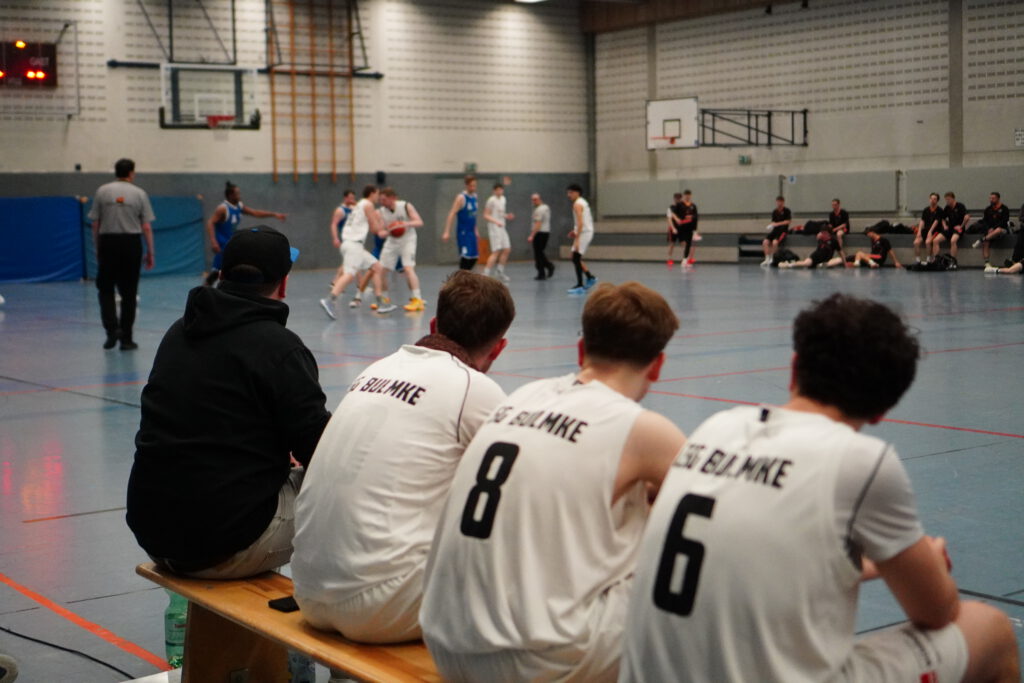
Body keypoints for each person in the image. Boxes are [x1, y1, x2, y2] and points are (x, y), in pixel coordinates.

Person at [620, 293, 1020, 683]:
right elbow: (936, 612)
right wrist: (929, 566)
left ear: (794, 369)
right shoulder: (860, 460)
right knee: (992, 629)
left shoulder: (717, 426)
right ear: (882, 409)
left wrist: (873, 566)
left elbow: (757, 559)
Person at [420, 281, 687, 682]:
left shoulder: (521, 397)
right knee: (679, 527)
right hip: (535, 663)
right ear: (658, 365)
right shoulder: (641, 427)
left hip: (444, 643)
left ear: (581, 351)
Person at [291, 271, 515, 646]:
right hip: (384, 606)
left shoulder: (377, 368)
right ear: (498, 348)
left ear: (434, 324)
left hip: (308, 589)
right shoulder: (475, 388)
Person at [127, 226, 331, 579]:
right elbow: (322, 453)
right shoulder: (281, 347)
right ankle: (345, 602)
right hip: (225, 545)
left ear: (221, 275)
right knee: (341, 487)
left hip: (154, 534)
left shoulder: (179, 331)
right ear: (283, 285)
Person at [88, 158, 156, 351]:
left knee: (106, 289)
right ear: (131, 173)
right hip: (131, 244)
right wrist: (150, 252)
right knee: (129, 293)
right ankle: (126, 339)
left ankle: (112, 330)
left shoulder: (102, 191)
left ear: (116, 172)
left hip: (108, 242)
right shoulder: (139, 193)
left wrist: (98, 247)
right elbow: (146, 227)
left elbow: (95, 224)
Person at [319, 185, 395, 318]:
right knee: (349, 275)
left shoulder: (359, 204)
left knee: (377, 267)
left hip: (354, 245)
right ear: (372, 193)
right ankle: (329, 300)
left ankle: (380, 303)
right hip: (353, 245)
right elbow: (375, 228)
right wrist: (389, 228)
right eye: (377, 194)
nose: (378, 197)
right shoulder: (368, 204)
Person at [203, 181, 286, 286]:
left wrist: (274, 214)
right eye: (237, 193)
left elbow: (255, 213)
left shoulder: (239, 206)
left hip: (232, 243)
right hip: (222, 245)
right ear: (230, 195)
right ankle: (204, 291)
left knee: (234, 269)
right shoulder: (223, 209)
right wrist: (213, 241)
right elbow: (210, 222)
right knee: (215, 274)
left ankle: (234, 290)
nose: (239, 195)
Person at [376, 187, 427, 312]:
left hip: (408, 240)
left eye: (384, 199)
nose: (382, 202)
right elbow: (381, 231)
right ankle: (384, 298)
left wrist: (404, 224)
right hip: (392, 241)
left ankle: (417, 299)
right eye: (380, 200)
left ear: (392, 198)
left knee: (408, 268)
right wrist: (386, 232)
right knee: (381, 270)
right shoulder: (381, 212)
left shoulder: (405, 206)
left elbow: (419, 222)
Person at [441, 175, 480, 271]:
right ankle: (461, 278)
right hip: (463, 232)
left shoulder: (475, 197)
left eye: (475, 185)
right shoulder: (461, 198)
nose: (473, 188)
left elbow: (473, 216)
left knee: (474, 258)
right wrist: (447, 231)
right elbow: (451, 214)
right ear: (466, 185)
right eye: (471, 186)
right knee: (465, 258)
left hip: (471, 232)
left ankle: (465, 276)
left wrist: (476, 230)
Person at [566, 183, 597, 294]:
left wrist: (577, 239)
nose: (568, 195)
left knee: (576, 257)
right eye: (568, 192)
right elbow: (582, 221)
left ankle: (580, 285)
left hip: (585, 233)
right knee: (574, 257)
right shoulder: (582, 202)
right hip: (584, 231)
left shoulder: (577, 204)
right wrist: (574, 231)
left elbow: (580, 222)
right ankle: (590, 277)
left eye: (571, 192)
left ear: (577, 193)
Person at [482, 183, 514, 282]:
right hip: (494, 228)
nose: (500, 191)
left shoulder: (503, 199)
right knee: (496, 251)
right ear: (494, 191)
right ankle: (485, 274)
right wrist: (496, 222)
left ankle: (499, 272)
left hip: (502, 227)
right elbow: (486, 215)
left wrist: (507, 216)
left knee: (507, 249)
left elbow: (500, 213)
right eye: (498, 190)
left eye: (501, 189)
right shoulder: (491, 200)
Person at [970, 192, 1010, 267]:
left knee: (998, 230)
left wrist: (994, 228)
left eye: (993, 198)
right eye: (990, 198)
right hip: (990, 231)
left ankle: (981, 240)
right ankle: (987, 263)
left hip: (1002, 230)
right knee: (986, 242)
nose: (991, 200)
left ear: (998, 199)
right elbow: (984, 221)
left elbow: (1004, 221)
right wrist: (988, 228)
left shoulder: (1004, 209)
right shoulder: (988, 209)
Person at [330, 189, 357, 290]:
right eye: (350, 198)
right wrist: (335, 238)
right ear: (345, 198)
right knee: (352, 261)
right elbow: (334, 224)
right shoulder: (340, 210)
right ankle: (360, 285)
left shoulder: (354, 208)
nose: (352, 200)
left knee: (350, 261)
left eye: (353, 198)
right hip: (345, 238)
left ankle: (335, 282)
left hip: (354, 238)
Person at [777, 229, 843, 269]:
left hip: (826, 261)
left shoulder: (834, 241)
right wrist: (820, 235)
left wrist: (845, 263)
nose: (823, 234)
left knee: (839, 259)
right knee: (805, 263)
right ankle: (788, 264)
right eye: (822, 233)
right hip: (815, 257)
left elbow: (840, 252)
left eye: (824, 233)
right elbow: (818, 236)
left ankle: (821, 265)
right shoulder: (820, 239)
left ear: (828, 233)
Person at [934, 191, 970, 262]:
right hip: (950, 228)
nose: (947, 201)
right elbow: (943, 218)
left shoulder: (960, 206)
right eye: (946, 200)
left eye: (948, 199)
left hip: (959, 229)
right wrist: (944, 225)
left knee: (953, 240)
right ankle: (936, 260)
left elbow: (967, 217)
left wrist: (961, 226)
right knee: (935, 240)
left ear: (953, 199)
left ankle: (953, 261)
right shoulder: (947, 207)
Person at [528, 192, 555, 280]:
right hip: (545, 232)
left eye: (535, 199)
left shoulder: (539, 210)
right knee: (540, 253)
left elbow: (538, 224)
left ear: (540, 199)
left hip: (539, 233)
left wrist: (532, 235)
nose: (534, 201)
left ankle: (546, 269)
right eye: (532, 200)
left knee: (538, 253)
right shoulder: (545, 207)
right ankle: (545, 269)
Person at [761, 195, 792, 267]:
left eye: (780, 202)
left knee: (775, 242)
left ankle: (773, 258)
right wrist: (771, 225)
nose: (779, 203)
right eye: (778, 202)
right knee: (765, 242)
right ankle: (767, 259)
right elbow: (773, 222)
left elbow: (788, 221)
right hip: (775, 231)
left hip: (783, 231)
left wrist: (777, 224)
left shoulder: (787, 211)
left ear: (783, 202)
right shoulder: (774, 212)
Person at [914, 192, 945, 264]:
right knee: (916, 242)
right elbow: (922, 221)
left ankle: (928, 259)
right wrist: (919, 231)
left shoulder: (940, 210)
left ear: (937, 201)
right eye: (931, 199)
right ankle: (918, 260)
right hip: (926, 230)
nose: (932, 200)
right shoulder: (926, 210)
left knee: (928, 242)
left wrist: (930, 231)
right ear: (929, 199)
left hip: (935, 230)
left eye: (934, 199)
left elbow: (936, 221)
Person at [674, 189, 699, 267]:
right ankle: (685, 258)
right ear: (684, 196)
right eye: (686, 195)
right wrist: (677, 219)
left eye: (689, 195)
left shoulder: (693, 206)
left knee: (688, 243)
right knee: (683, 242)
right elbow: (674, 214)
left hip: (690, 227)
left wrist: (695, 229)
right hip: (681, 227)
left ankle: (685, 260)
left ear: (690, 196)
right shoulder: (680, 205)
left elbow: (696, 216)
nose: (687, 197)